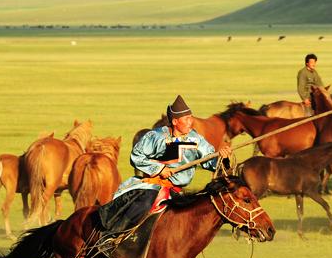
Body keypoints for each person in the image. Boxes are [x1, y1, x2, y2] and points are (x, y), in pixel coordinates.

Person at [97, 94, 232, 233]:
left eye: (191, 118)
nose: (191, 122)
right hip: (153, 186)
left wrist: (223, 157)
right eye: (186, 119)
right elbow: (136, 156)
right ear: (175, 121)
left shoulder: (195, 139)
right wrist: (160, 169)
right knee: (143, 205)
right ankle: (113, 237)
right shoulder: (156, 136)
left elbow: (210, 160)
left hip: (177, 192)